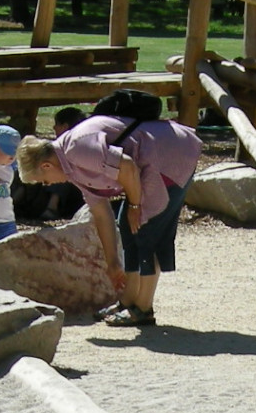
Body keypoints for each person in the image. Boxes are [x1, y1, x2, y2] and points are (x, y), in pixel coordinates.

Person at [16, 114, 202, 327]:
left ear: (46, 166)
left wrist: (134, 206)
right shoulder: (72, 169)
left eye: (43, 180)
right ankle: (127, 301)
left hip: (171, 153)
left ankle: (142, 309)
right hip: (150, 162)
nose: (47, 185)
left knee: (146, 228)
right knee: (127, 224)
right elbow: (102, 212)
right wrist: (112, 263)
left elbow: (128, 167)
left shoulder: (76, 149)